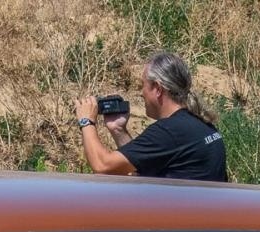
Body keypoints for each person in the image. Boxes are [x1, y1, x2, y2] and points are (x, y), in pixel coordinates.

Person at [75, 51, 226, 181]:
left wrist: (86, 121)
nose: (141, 93)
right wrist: (118, 130)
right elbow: (139, 167)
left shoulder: (169, 132)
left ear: (158, 89)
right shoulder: (202, 126)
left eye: (143, 85)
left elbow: (103, 166)